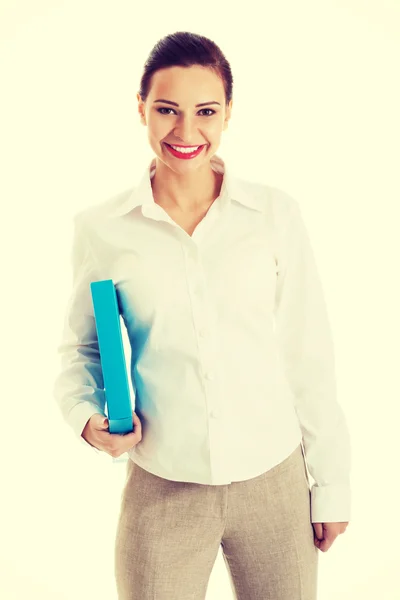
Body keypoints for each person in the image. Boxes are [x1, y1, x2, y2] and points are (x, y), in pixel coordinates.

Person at [53, 30, 351, 600]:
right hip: (162, 486)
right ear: (140, 108)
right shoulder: (102, 228)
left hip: (276, 483)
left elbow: (308, 353)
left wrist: (331, 485)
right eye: (166, 110)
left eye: (205, 111)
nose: (186, 132)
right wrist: (87, 418)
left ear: (229, 114)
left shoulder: (274, 216)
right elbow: (81, 350)